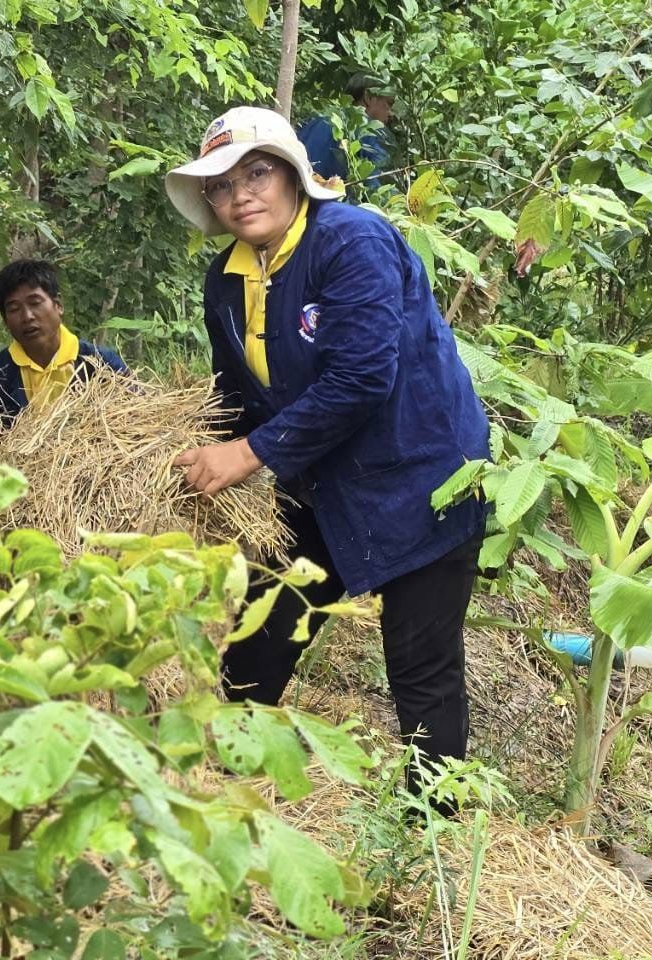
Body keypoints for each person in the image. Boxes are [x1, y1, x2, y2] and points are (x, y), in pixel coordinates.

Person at [163, 105, 489, 780]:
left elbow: (362, 378)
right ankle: (223, 781)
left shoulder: (350, 241)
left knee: (419, 666)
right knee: (261, 632)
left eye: (256, 173)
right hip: (318, 479)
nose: (240, 195)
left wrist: (245, 455)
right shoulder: (225, 281)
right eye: (220, 185)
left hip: (419, 478)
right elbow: (235, 394)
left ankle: (428, 824)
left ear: (292, 175)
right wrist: (196, 460)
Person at [0, 259, 130, 425]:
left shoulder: (102, 364)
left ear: (58, 305)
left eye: (35, 303)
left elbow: (138, 419)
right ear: (5, 320)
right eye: (14, 309)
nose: (27, 316)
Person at [297, 72, 396, 189]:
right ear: (368, 97)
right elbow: (379, 190)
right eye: (389, 104)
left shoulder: (314, 122)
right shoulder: (371, 132)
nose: (391, 113)